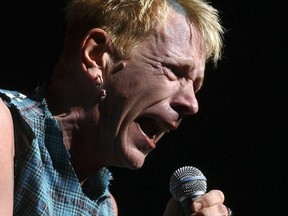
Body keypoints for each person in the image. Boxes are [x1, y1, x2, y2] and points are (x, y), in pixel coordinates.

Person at [0, 0, 227, 215]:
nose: (192, 105)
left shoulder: (106, 206)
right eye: (174, 71)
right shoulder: (4, 127)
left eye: (195, 88)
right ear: (96, 57)